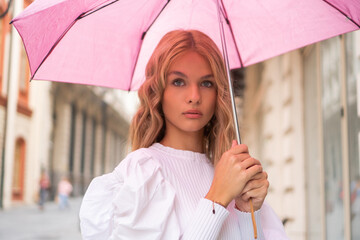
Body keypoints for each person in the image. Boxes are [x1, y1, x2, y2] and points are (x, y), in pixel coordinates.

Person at [80, 30, 288, 239]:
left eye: (207, 83)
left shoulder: (229, 173)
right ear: (158, 91)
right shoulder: (145, 173)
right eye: (179, 82)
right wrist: (217, 198)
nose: (194, 96)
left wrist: (246, 212)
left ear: (219, 93)